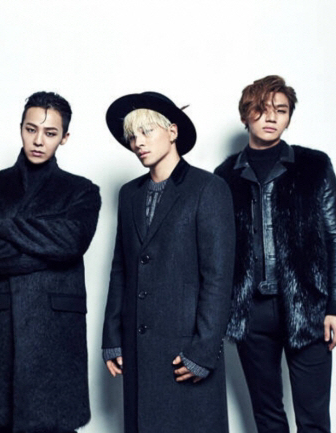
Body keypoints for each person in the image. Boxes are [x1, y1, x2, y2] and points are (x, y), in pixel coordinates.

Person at [214, 75, 336, 433]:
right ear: (246, 115)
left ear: (289, 117)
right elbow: (217, 249)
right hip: (250, 312)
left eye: (281, 110)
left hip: (308, 307)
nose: (271, 117)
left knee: (313, 418)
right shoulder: (224, 177)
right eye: (261, 109)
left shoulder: (314, 166)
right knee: (267, 416)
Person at [0, 91, 101, 433]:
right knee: (3, 423)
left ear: (64, 137)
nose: (38, 141)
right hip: (1, 322)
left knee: (56, 422)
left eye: (50, 133)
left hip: (56, 327)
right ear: (21, 128)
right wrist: (47, 248)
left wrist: (3, 226)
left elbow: (71, 243)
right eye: (31, 129)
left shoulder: (82, 190)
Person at [102, 92, 235, 433]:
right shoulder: (129, 194)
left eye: (146, 131)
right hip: (137, 347)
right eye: (132, 136)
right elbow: (121, 268)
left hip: (185, 348)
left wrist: (203, 351)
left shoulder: (209, 188)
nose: (138, 143)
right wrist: (112, 337)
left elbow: (218, 277)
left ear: (172, 131)